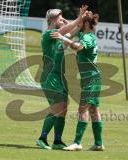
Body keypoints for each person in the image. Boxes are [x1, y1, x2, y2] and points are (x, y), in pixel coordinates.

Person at [50, 11, 105, 151]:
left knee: (83, 109)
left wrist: (64, 38)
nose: (79, 25)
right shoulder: (84, 33)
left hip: (91, 79)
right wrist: (80, 16)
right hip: (91, 78)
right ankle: (98, 144)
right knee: (93, 109)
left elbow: (78, 47)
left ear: (86, 24)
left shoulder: (89, 37)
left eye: (82, 22)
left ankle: (77, 142)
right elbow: (73, 26)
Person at [36, 6, 88, 150]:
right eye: (60, 17)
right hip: (50, 77)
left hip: (59, 77)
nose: (62, 19)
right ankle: (42, 138)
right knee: (57, 108)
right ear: (52, 19)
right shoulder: (49, 33)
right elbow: (64, 31)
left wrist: (82, 22)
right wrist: (79, 18)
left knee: (63, 109)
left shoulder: (58, 37)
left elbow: (71, 34)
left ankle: (57, 141)